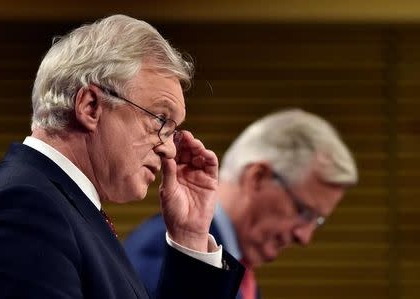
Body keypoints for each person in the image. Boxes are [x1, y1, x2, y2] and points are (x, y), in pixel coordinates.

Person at [0, 14, 244, 299]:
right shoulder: (26, 207)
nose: (170, 149)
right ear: (90, 107)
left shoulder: (58, 205)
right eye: (160, 119)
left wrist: (190, 237)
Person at [124, 109, 359, 299]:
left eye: (317, 220)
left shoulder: (234, 267)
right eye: (304, 212)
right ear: (257, 177)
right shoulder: (167, 256)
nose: (305, 237)